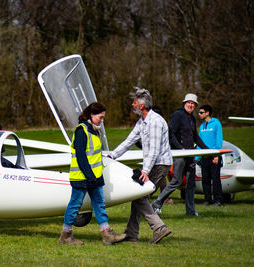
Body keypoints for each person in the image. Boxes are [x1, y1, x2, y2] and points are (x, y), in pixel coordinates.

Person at [108, 88, 172, 244]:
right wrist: (112, 155)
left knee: (140, 197)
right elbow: (129, 141)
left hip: (159, 164)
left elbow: (155, 150)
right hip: (153, 164)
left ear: (142, 106)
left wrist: (145, 170)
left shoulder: (155, 122)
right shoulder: (142, 122)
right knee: (138, 197)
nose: (132, 104)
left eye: (135, 102)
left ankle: (159, 228)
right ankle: (131, 234)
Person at [59, 102, 123, 246]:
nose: (102, 120)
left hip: (94, 177)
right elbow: (81, 156)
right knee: (75, 205)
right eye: (100, 117)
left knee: (100, 204)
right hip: (82, 177)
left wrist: (95, 176)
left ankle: (107, 235)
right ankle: (65, 236)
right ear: (91, 115)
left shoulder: (94, 130)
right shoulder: (82, 130)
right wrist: (90, 176)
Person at [152, 93, 208, 217]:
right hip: (179, 155)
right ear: (184, 103)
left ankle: (191, 211)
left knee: (191, 184)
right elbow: (170, 133)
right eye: (189, 102)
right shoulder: (178, 115)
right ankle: (157, 203)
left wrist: (207, 150)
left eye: (193, 104)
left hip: (190, 155)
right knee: (176, 181)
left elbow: (195, 137)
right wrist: (179, 148)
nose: (191, 105)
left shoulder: (192, 118)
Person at [197, 104, 223, 206]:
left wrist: (217, 155)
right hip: (204, 157)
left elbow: (218, 139)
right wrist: (197, 157)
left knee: (216, 179)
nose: (199, 114)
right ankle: (208, 199)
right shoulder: (202, 126)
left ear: (207, 113)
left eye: (201, 112)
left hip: (214, 157)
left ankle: (218, 200)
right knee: (205, 179)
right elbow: (199, 142)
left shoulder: (216, 123)